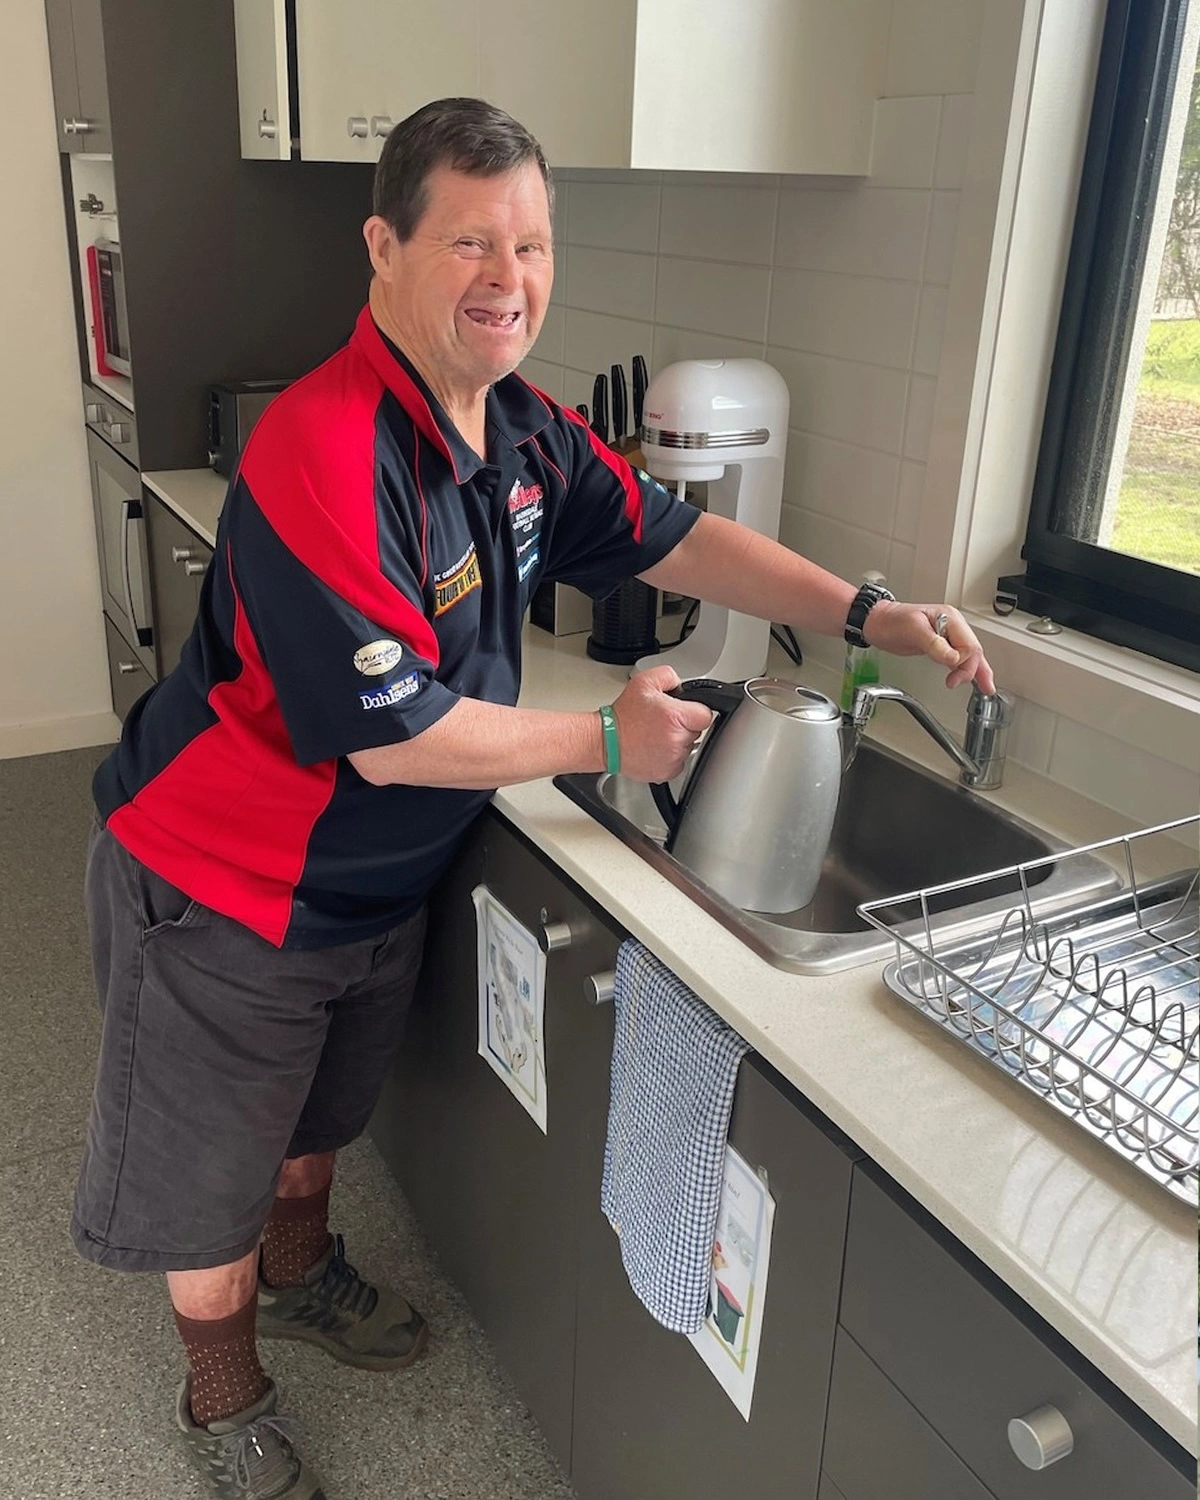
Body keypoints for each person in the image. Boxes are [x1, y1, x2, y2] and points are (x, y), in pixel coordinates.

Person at [74, 96, 995, 1500]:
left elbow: (680, 539)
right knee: (215, 1167)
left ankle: (307, 1270)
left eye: (533, 243)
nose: (510, 277)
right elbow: (391, 737)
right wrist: (601, 739)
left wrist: (865, 609)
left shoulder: (516, 430)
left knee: (319, 1114)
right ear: (384, 246)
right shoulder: (326, 451)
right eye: (470, 242)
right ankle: (225, 1393)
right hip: (227, 885)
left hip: (372, 881)